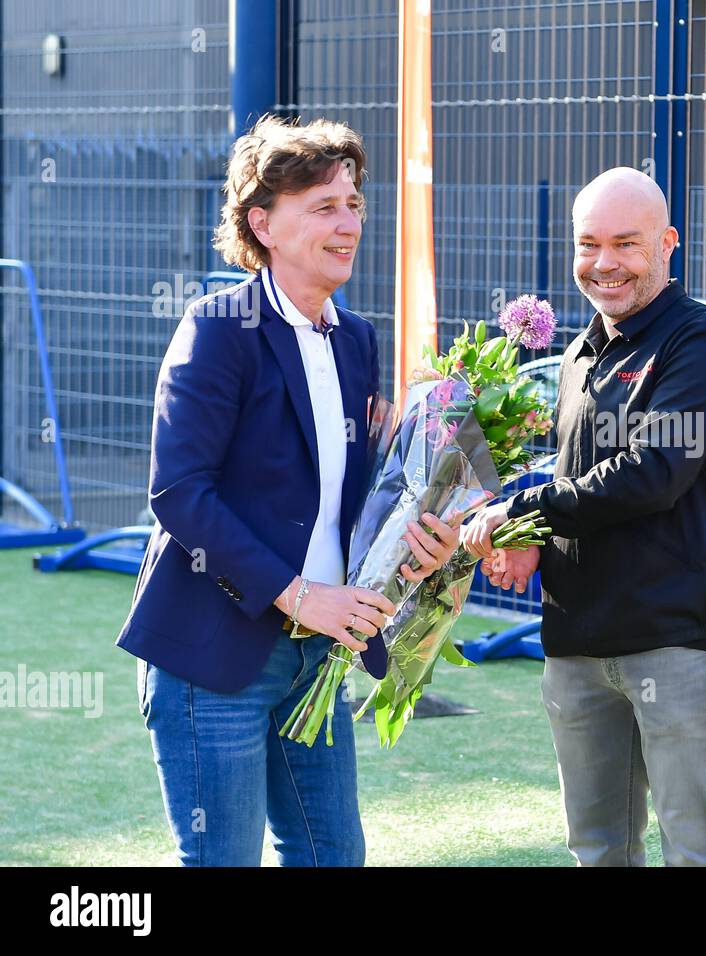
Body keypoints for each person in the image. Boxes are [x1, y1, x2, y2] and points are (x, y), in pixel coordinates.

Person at [117, 115, 460, 866]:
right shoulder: (219, 327)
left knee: (332, 854)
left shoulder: (357, 338)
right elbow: (179, 491)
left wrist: (422, 539)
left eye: (354, 204)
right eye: (323, 206)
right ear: (263, 224)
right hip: (212, 653)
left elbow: (355, 496)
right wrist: (298, 595)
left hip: (320, 655)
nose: (349, 224)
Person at [464, 167, 706, 866]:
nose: (605, 263)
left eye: (627, 244)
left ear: (669, 243)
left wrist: (522, 507)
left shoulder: (703, 344)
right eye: (589, 244)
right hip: (576, 642)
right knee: (597, 851)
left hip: (678, 640)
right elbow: (579, 483)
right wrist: (530, 539)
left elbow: (650, 475)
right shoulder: (579, 353)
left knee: (696, 853)